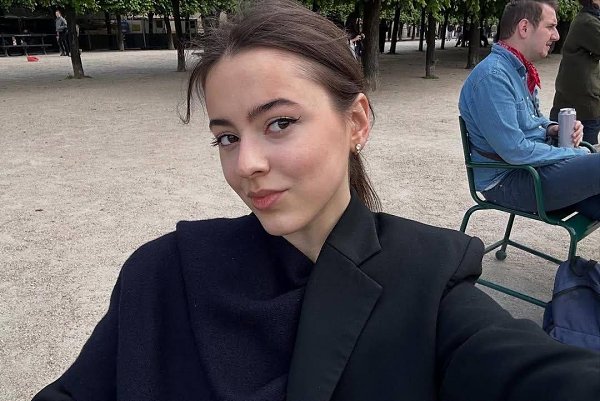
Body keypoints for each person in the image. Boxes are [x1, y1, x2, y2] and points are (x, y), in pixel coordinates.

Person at [33, 1, 600, 400]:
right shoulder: (163, 272)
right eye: (226, 136)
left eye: (279, 123)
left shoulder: (428, 283)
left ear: (356, 122)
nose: (245, 163)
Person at [459, 0, 600, 221]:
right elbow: (515, 151)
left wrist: (552, 128)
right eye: (550, 26)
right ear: (524, 28)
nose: (556, 36)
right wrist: (576, 153)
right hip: (509, 180)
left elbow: (533, 120)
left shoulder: (518, 69)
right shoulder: (493, 77)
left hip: (530, 171)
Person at [550, 0, 600, 145]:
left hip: (577, 100)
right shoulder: (587, 22)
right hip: (582, 105)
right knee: (585, 151)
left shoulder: (587, 19)